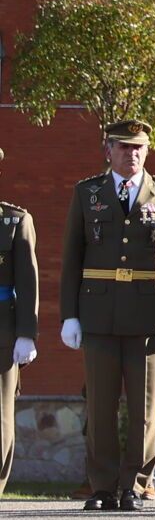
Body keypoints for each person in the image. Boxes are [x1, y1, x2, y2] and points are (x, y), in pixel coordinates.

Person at [61, 120, 155, 512]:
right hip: (98, 311)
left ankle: (135, 485)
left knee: (145, 408)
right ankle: (102, 486)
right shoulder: (88, 193)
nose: (131, 154)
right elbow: (71, 257)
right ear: (108, 150)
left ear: (147, 151)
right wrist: (69, 315)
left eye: (138, 148)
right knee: (101, 407)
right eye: (123, 147)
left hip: (147, 314)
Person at [0, 153, 40, 498]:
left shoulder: (13, 220)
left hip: (2, 328)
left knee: (0, 414)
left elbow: (27, 283)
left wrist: (26, 333)